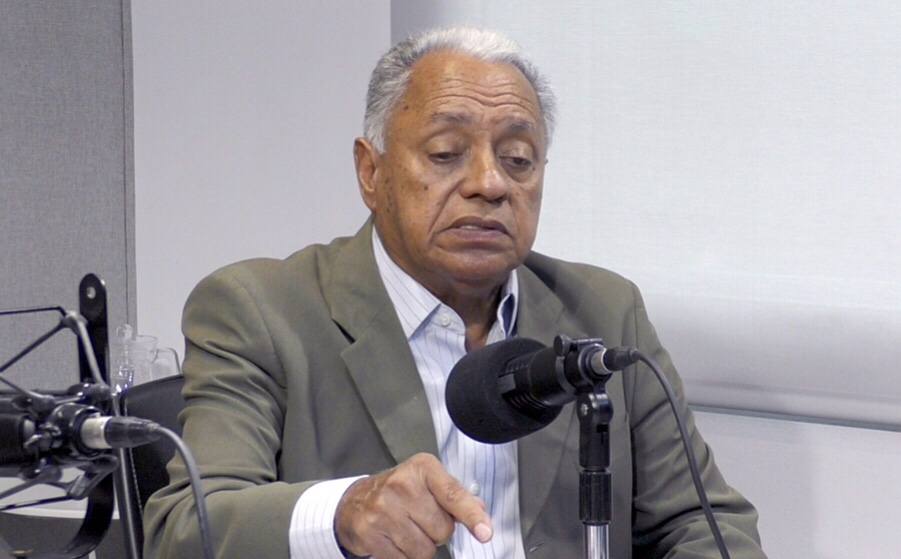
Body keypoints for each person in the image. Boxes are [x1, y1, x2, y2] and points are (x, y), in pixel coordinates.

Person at [144, 26, 767, 559]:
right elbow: (186, 528)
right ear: (371, 171)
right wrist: (342, 512)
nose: (489, 183)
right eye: (446, 153)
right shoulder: (260, 310)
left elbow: (704, 523)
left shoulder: (604, 310)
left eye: (518, 158)